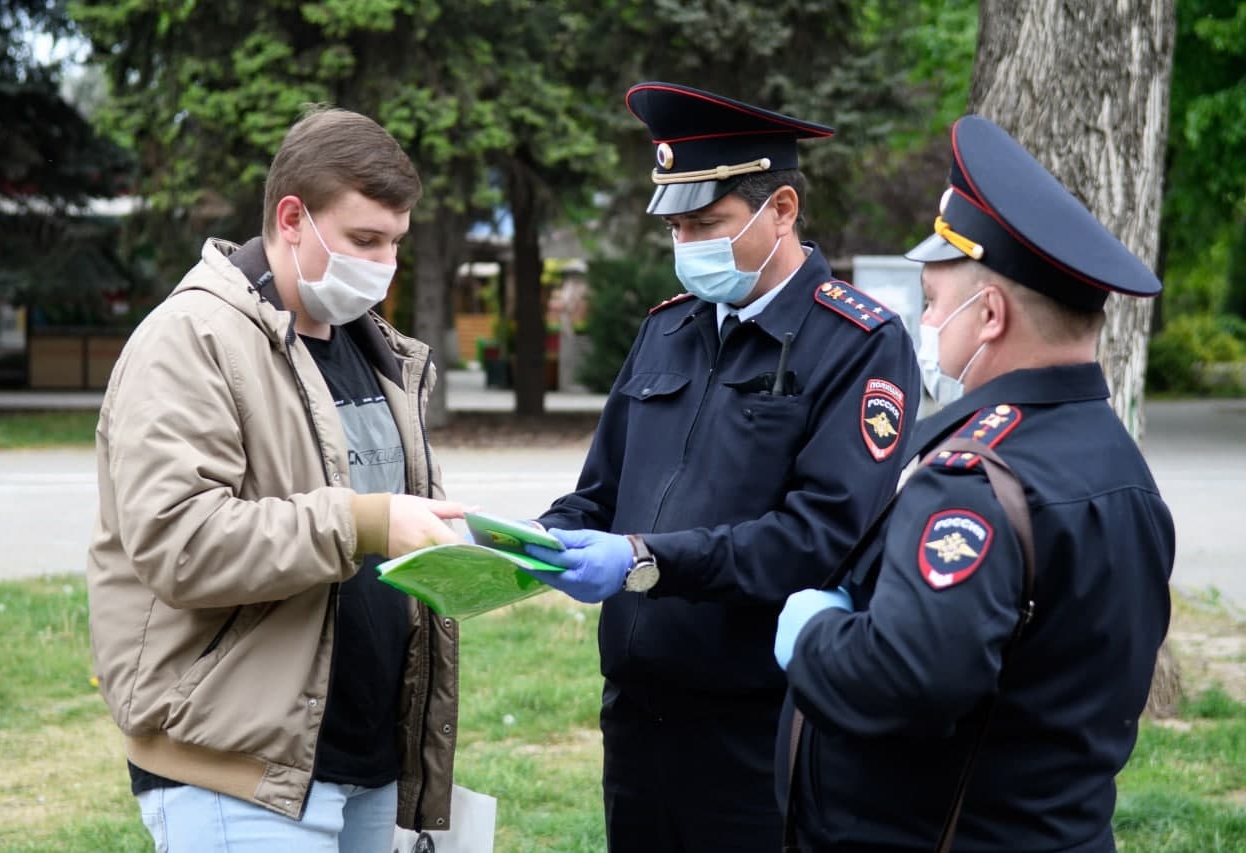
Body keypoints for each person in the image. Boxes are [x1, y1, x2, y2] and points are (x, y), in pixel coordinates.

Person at [523, 81, 921, 852]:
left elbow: (819, 537)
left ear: (782, 209)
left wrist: (645, 562)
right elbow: (601, 492)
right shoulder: (667, 331)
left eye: (707, 222)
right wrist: (526, 541)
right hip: (636, 717)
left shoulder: (859, 343)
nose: (687, 244)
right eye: (675, 224)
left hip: (758, 725)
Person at [773, 114, 1176, 852]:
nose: (924, 321)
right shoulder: (1121, 465)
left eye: (931, 300)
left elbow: (907, 678)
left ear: (988, 314)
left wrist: (813, 637)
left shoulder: (971, 478)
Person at [86, 106, 466, 851]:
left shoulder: (379, 348)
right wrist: (361, 522)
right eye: (364, 239)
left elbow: (382, 524)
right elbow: (178, 542)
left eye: (395, 242)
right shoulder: (189, 338)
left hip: (369, 761)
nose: (384, 263)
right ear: (291, 217)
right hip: (234, 771)